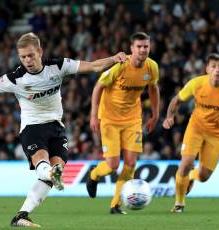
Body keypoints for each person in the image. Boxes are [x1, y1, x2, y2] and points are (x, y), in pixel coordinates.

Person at [0, 32, 126, 227]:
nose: (27, 60)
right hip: (32, 128)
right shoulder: (16, 78)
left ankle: (22, 215)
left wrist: (114, 58)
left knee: (53, 172)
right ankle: (50, 173)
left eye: (31, 55)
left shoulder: (58, 66)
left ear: (39, 52)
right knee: (45, 166)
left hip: (57, 127)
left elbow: (93, 66)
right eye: (23, 57)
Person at [86, 32, 160, 214]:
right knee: (112, 166)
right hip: (110, 119)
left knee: (131, 164)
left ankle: (115, 204)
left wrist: (155, 115)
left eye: (146, 46)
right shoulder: (120, 65)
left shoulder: (152, 67)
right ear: (131, 49)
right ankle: (94, 175)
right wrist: (94, 115)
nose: (143, 50)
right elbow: (98, 87)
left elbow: (153, 88)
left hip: (133, 119)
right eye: (139, 46)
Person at [162, 53, 219, 213]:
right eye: (213, 66)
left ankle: (192, 176)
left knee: (204, 177)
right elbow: (176, 100)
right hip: (196, 129)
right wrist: (169, 116)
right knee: (185, 163)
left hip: (218, 135)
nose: (217, 70)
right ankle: (179, 203)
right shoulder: (196, 84)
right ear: (207, 69)